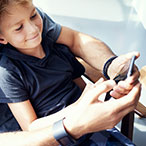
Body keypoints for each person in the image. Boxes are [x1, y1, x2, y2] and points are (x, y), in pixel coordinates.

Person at [0, 0, 141, 145]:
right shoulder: (8, 73)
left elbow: (80, 88)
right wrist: (78, 108)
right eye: (19, 28)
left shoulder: (58, 49)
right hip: (54, 137)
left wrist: (113, 84)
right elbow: (31, 127)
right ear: (1, 38)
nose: (33, 30)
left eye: (34, 15)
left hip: (92, 126)